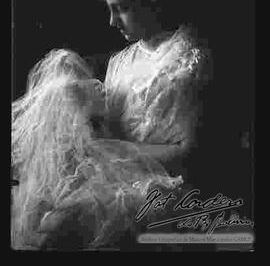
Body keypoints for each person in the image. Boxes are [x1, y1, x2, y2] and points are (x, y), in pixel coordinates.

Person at [11, 49, 183, 250]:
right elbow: (81, 142)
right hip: (86, 160)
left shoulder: (80, 95)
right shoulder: (74, 92)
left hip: (91, 156)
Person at [94, 0, 210, 169]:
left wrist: (117, 152)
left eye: (121, 8)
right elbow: (109, 130)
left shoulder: (189, 58)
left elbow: (188, 150)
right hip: (117, 173)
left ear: (149, 2)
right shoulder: (119, 62)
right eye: (110, 10)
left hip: (170, 178)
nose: (112, 22)